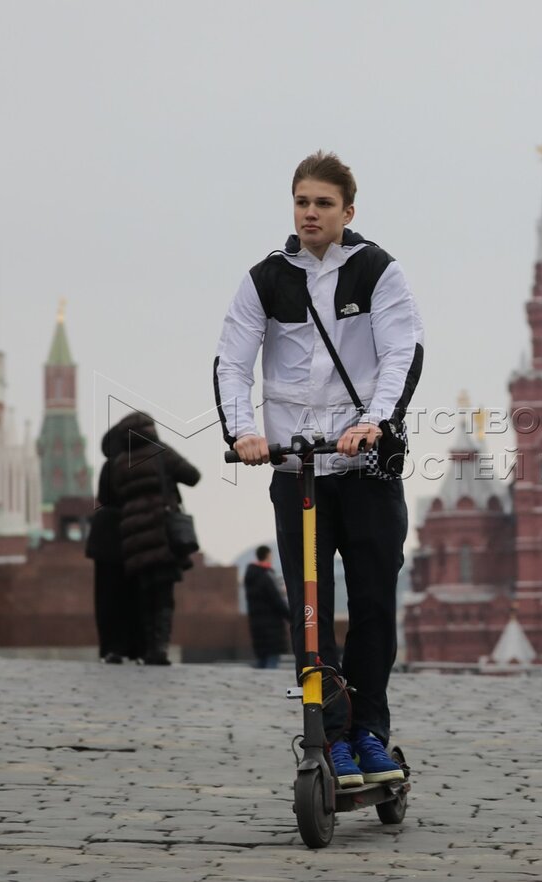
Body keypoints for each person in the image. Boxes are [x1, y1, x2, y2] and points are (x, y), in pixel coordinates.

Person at [214, 151, 424, 788]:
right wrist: (244, 432)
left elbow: (402, 353)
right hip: (296, 471)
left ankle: (370, 733)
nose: (310, 212)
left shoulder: (377, 272)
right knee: (308, 605)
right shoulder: (265, 279)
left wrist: (376, 422)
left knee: (372, 604)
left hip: (365, 466)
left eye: (323, 203)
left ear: (347, 211)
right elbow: (231, 361)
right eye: (302, 201)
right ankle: (327, 733)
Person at [106, 411, 201, 666]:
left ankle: (147, 648)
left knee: (144, 593)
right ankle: (159, 649)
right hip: (161, 532)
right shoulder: (160, 452)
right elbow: (193, 476)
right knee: (163, 594)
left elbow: (116, 494)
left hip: (133, 536)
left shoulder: (119, 462)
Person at [87, 434, 142, 664]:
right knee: (134, 596)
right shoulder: (137, 465)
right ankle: (134, 648)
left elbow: (103, 496)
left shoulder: (109, 466)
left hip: (105, 540)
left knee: (107, 598)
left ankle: (111, 648)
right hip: (131, 536)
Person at [244, 545, 290, 669]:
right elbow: (276, 600)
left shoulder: (251, 575)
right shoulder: (267, 576)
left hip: (257, 626)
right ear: (268, 555)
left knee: (262, 660)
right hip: (272, 627)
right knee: (271, 661)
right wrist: (292, 617)